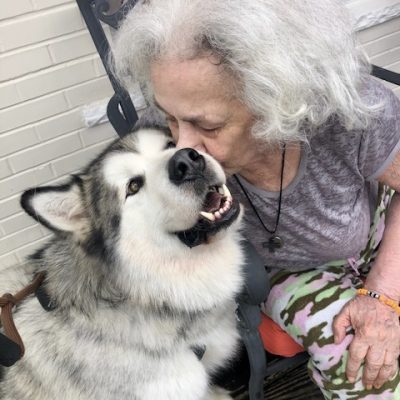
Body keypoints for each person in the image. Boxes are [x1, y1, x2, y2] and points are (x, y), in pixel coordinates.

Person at [111, 0, 400, 398]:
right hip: (283, 270)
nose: (182, 144)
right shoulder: (156, 150)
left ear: (277, 102)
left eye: (207, 125)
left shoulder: (353, 113)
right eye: (170, 117)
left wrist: (384, 294)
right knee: (363, 364)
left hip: (379, 223)